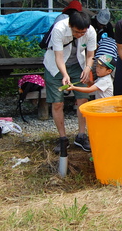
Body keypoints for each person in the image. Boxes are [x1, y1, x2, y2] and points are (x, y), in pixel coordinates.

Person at [43, 11, 97, 152]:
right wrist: (65, 74)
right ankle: (63, 138)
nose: (80, 35)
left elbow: (90, 55)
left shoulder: (90, 31)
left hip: (78, 65)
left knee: (83, 100)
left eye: (82, 32)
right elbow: (58, 57)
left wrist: (87, 68)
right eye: (77, 32)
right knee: (57, 103)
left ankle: (81, 135)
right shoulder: (59, 29)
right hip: (56, 66)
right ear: (70, 25)